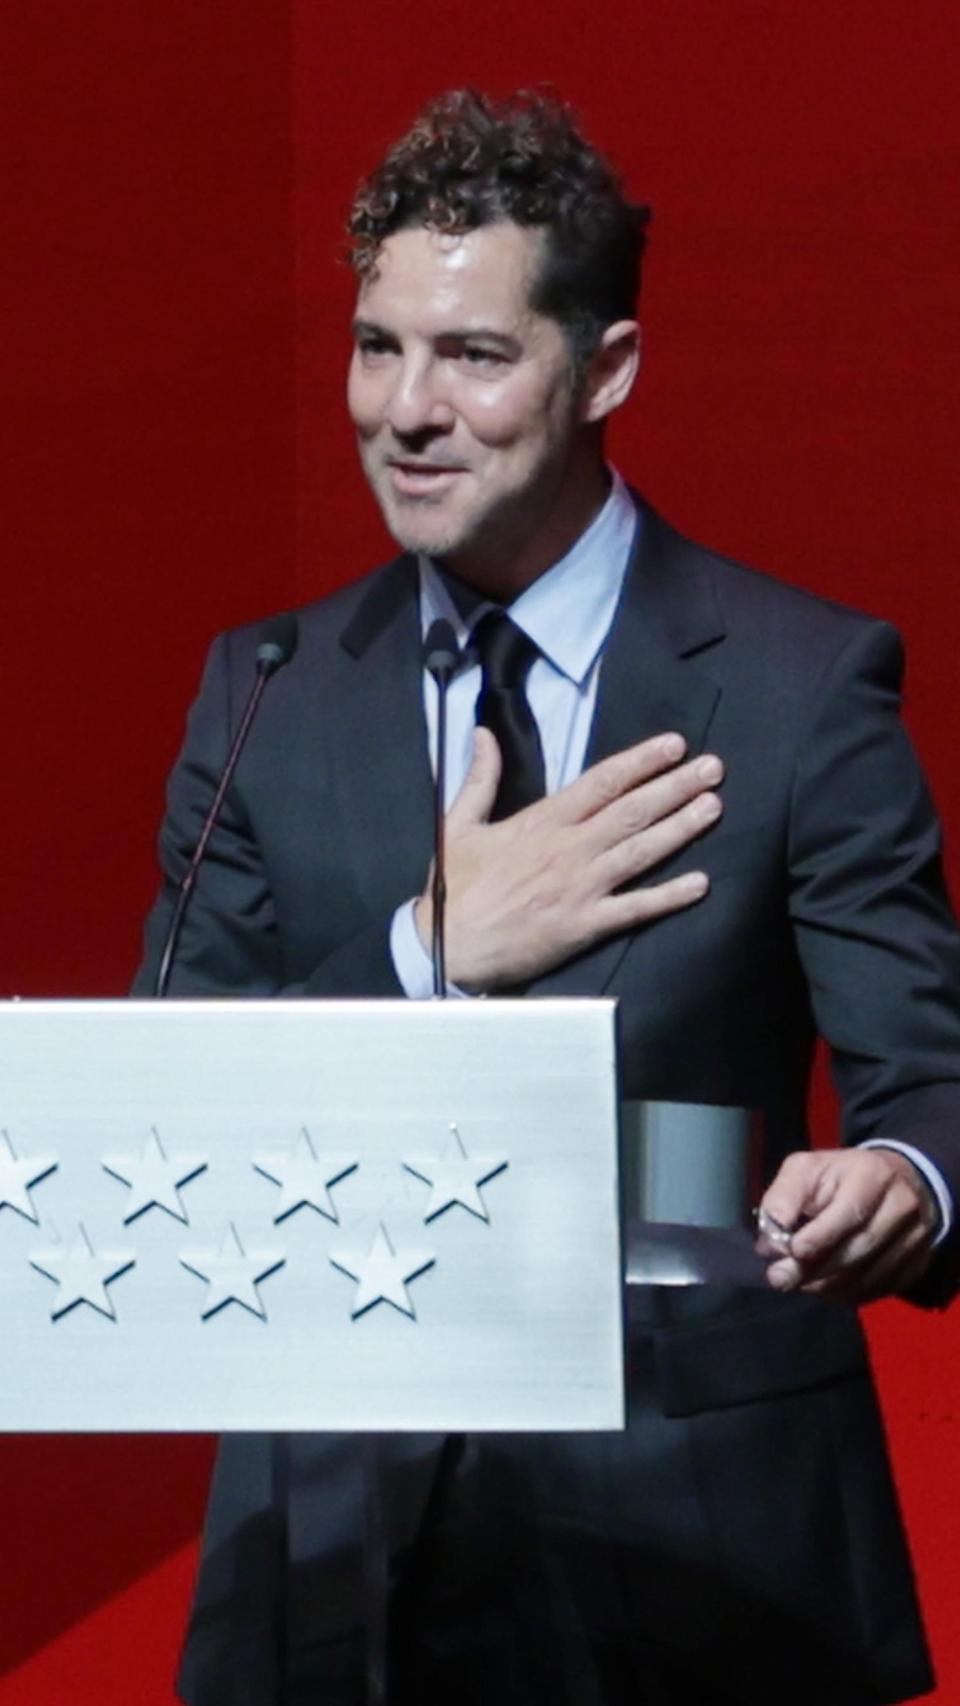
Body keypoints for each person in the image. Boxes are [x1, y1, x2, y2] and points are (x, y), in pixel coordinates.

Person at [136, 89, 960, 1706]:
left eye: (475, 355)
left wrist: (903, 1179)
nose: (406, 411)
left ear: (611, 370)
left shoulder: (800, 686)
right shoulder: (266, 691)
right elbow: (165, 1127)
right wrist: (427, 954)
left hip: (704, 1550)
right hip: (334, 1562)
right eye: (378, 348)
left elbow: (932, 1080)